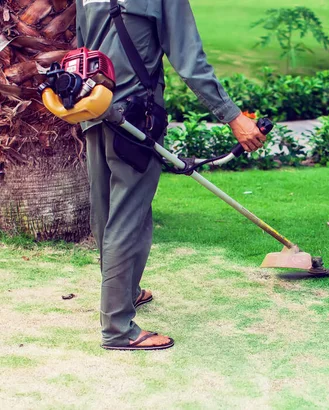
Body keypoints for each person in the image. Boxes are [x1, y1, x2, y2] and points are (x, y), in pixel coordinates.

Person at [75, 0, 266, 350]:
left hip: (94, 109)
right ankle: (118, 328)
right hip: (136, 120)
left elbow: (82, 47)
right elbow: (189, 60)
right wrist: (233, 116)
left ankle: (125, 292)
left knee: (105, 212)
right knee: (127, 219)